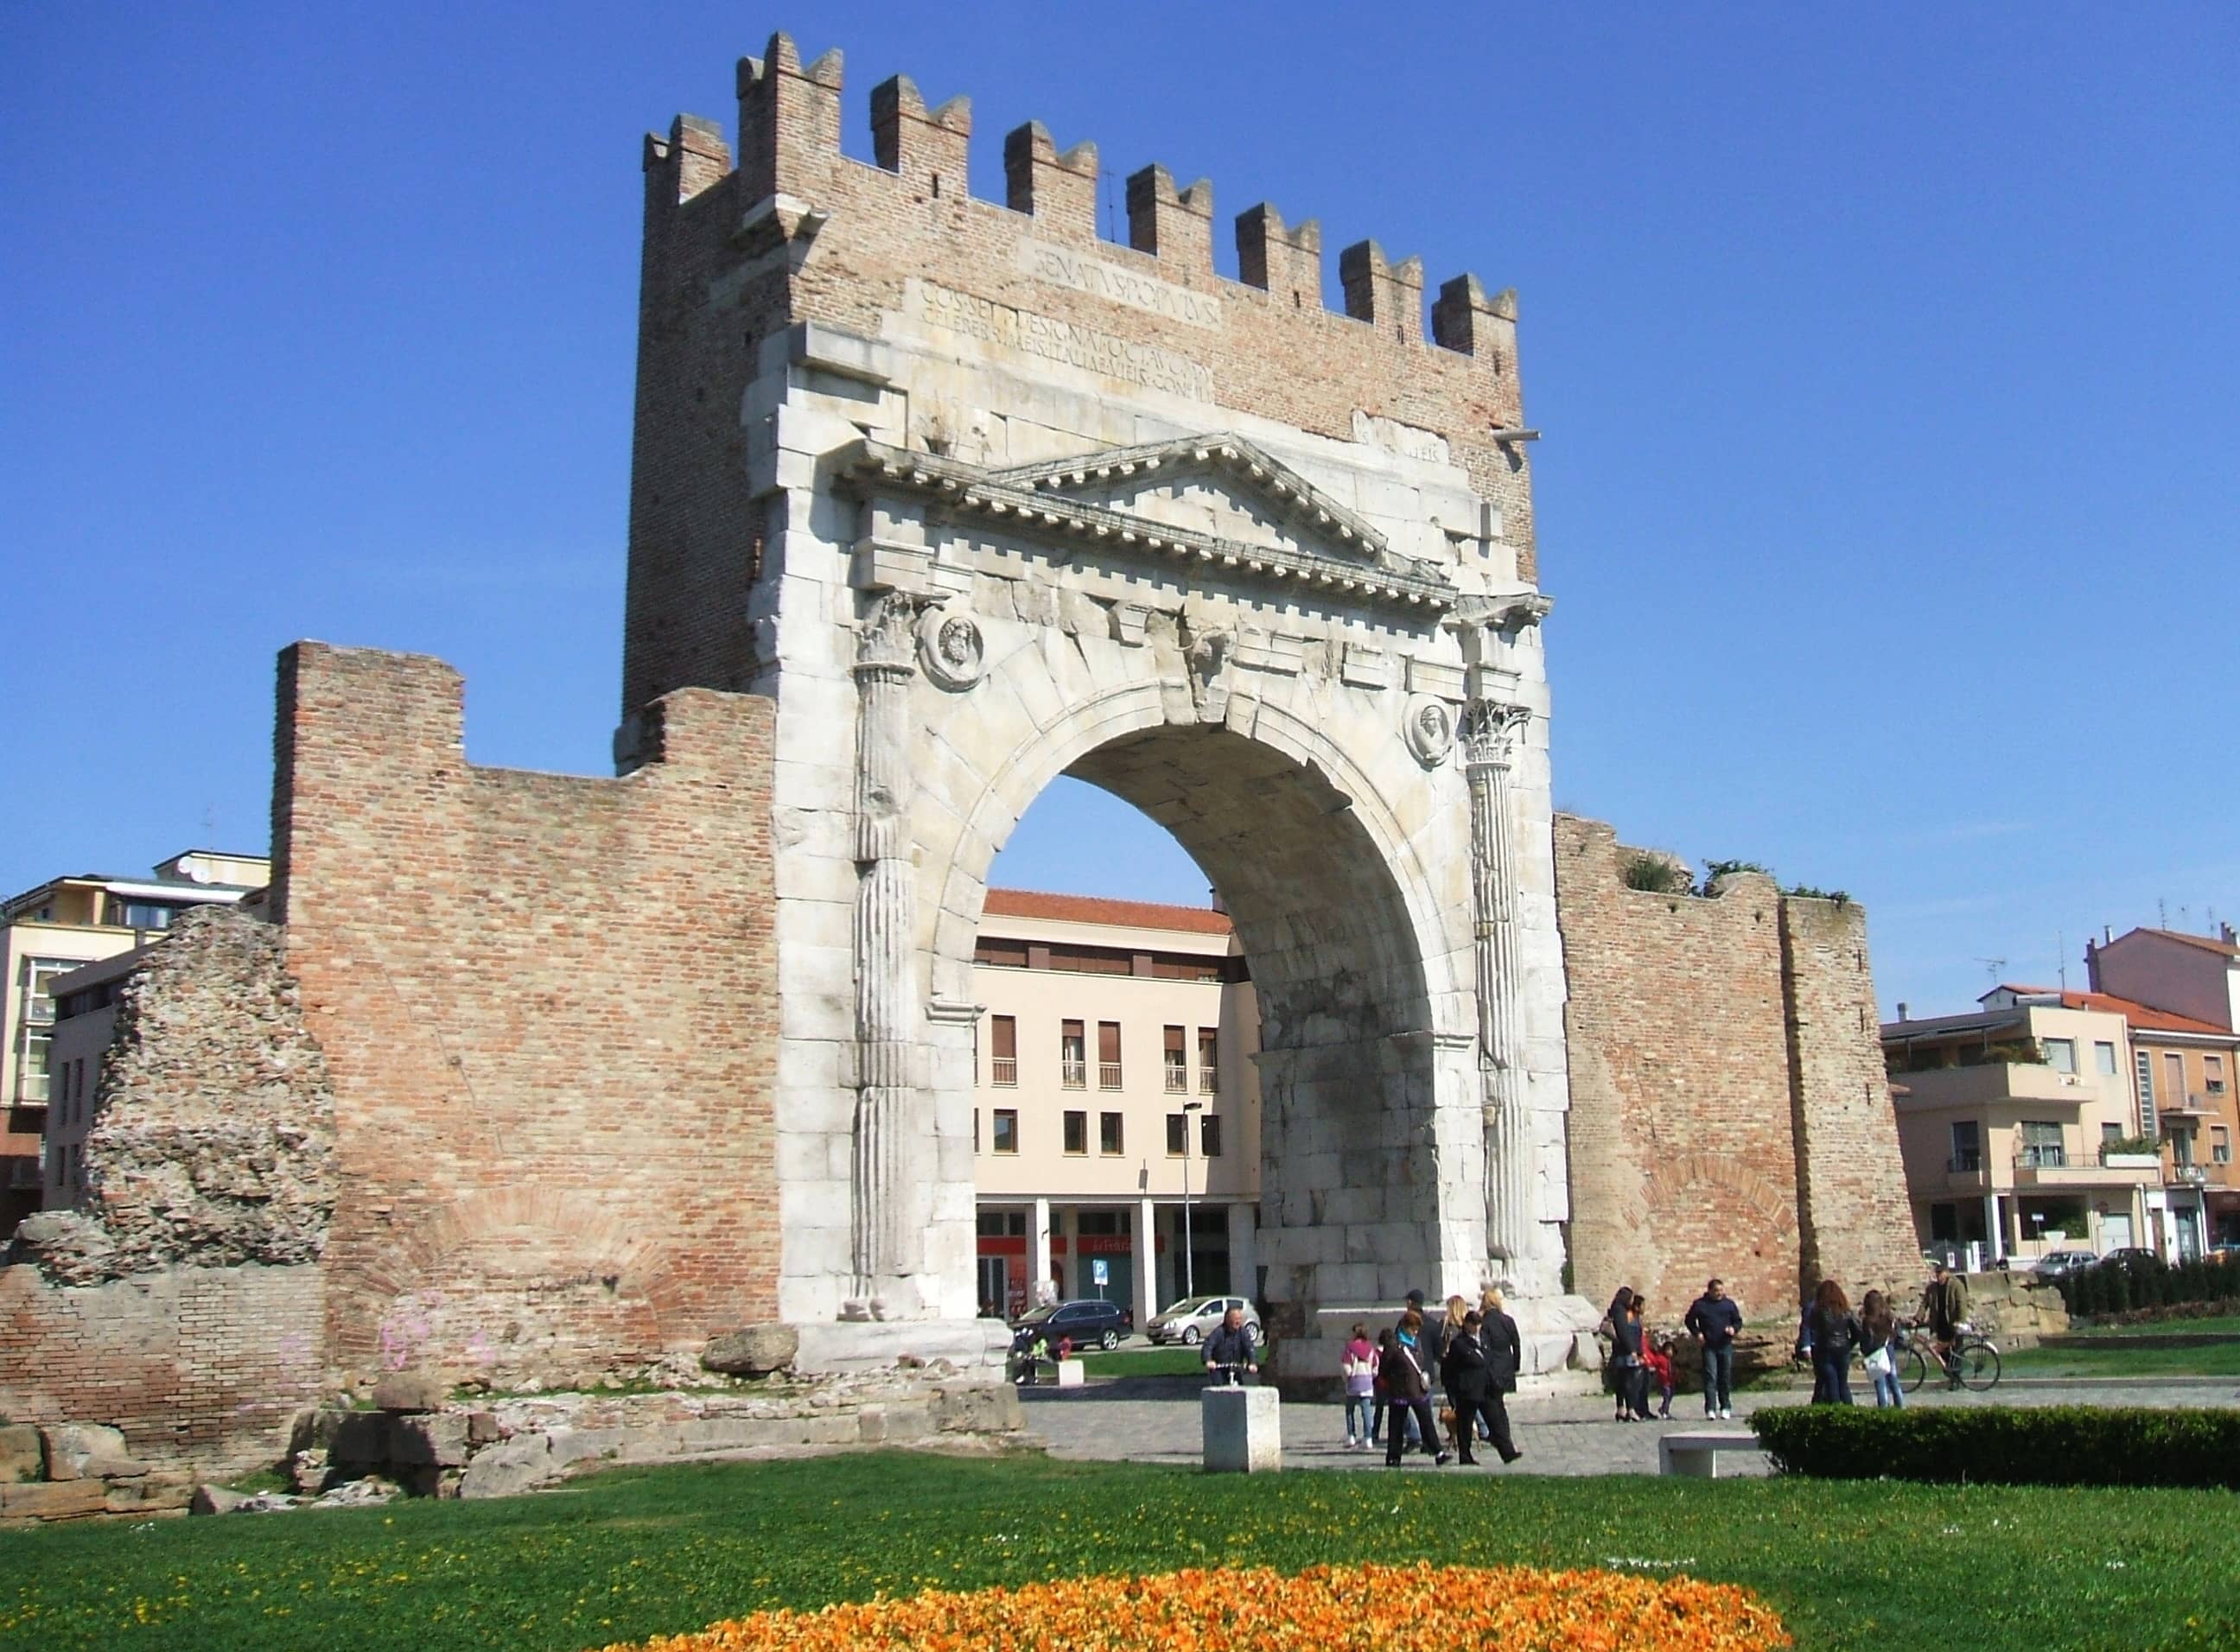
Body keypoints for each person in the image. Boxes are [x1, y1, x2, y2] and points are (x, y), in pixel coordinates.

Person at [1441, 1308, 1523, 1465]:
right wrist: (1454, 1388)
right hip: (1468, 1389)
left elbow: (1489, 1358)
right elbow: (1451, 1367)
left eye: (1479, 1325)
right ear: (1467, 1325)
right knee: (1465, 1425)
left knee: (1495, 1420)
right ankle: (1465, 1456)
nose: (1477, 1328)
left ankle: (1507, 1452)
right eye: (1474, 1325)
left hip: (1486, 1387)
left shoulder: (1484, 1338)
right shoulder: (1459, 1343)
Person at [1381, 1311, 1450, 1467]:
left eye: (1417, 1329)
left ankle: (1438, 1452)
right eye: (1413, 1329)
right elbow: (1384, 1368)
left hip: (1417, 1389)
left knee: (1426, 1421)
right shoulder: (1394, 1345)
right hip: (1399, 1391)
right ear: (1405, 1327)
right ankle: (1393, 1457)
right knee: (1396, 1425)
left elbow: (1420, 1361)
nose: (1416, 1332)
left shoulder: (1416, 1342)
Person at [1683, 1277, 1744, 1420]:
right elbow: (1689, 1320)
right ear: (1709, 1291)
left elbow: (1738, 1321)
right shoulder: (1700, 1305)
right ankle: (1710, 1408)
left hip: (1725, 1344)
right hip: (1709, 1346)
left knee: (1725, 1377)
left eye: (1721, 1290)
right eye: (1716, 1291)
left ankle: (1725, 1407)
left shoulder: (1728, 1304)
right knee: (1711, 1377)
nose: (1719, 1293)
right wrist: (1697, 1333)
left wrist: (1733, 1329)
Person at [1804, 1280, 1860, 1405]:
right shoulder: (1846, 1311)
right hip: (1843, 1349)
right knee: (1843, 1383)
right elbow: (1857, 1331)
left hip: (1826, 1350)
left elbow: (1812, 1329)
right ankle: (1850, 1409)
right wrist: (1849, 1344)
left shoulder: (1818, 1312)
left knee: (1831, 1382)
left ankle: (1835, 1409)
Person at [1919, 1260, 1970, 1388]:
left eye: (1940, 1273)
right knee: (1941, 1353)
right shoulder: (1932, 1288)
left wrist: (1960, 1321)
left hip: (1953, 1324)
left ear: (1946, 1273)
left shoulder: (1956, 1285)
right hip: (1939, 1325)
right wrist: (1917, 1318)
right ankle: (1951, 1375)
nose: (1938, 1276)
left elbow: (1961, 1304)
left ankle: (1956, 1379)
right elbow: (1924, 1304)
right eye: (1937, 1274)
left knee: (1956, 1353)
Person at [1859, 1288, 1905, 1409]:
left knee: (1880, 1384)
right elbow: (1898, 1334)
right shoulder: (1889, 1316)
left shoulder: (1868, 1320)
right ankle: (1900, 1406)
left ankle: (1883, 1409)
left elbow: (1867, 1341)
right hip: (1889, 1350)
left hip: (1876, 1353)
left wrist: (1865, 1352)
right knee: (1894, 1381)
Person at [1601, 1287, 1640, 1420]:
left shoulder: (1615, 1309)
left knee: (1622, 1381)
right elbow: (1623, 1331)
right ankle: (1630, 1409)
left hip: (1619, 1350)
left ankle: (1621, 1409)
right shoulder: (1620, 1311)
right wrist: (1632, 1350)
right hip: (1625, 1351)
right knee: (1629, 1381)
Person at [1341, 1324, 1378, 1449]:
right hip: (1367, 1382)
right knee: (1366, 1411)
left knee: (1350, 1410)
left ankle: (1351, 1436)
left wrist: (1347, 1377)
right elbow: (1376, 1366)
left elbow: (1346, 1366)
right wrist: (1371, 1376)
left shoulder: (1350, 1348)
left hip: (1354, 1381)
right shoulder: (1371, 1348)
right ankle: (1368, 1437)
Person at [1202, 1306, 1259, 1383]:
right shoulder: (1218, 1332)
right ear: (1227, 1319)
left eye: (1240, 1319)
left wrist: (1252, 1362)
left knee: (1239, 1387)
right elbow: (1208, 1346)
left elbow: (1250, 1348)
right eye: (1235, 1319)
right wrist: (1208, 1360)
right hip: (1219, 1369)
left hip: (1236, 1368)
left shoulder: (1243, 1333)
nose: (1238, 1322)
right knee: (1219, 1386)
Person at [1640, 1325, 1675, 1420]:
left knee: (1669, 1396)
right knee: (1666, 1396)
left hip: (1670, 1381)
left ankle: (1663, 1409)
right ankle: (1664, 1411)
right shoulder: (1660, 1359)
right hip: (1663, 1382)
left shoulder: (1670, 1360)